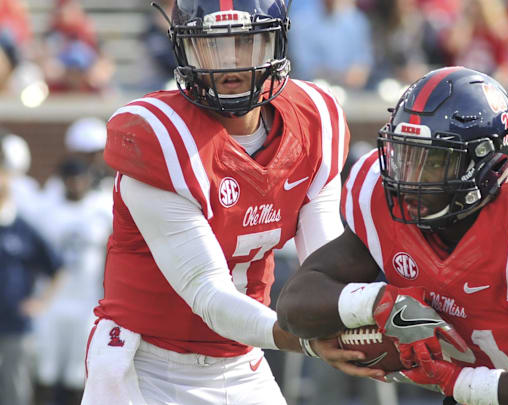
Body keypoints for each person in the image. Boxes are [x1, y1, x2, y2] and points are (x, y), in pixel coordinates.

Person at [277, 66, 508, 405]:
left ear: (485, 164)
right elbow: (294, 307)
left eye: (431, 162)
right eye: (403, 155)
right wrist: (378, 302)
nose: (407, 179)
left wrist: (455, 382)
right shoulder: (379, 199)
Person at [81, 0, 360, 404]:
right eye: (213, 46)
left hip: (245, 358)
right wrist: (307, 341)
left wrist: (363, 312)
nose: (229, 63)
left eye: (245, 43)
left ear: (274, 43)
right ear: (184, 50)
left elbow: (325, 262)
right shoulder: (159, 137)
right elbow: (208, 295)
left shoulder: (315, 119)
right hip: (147, 365)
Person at [34, 158, 112, 405]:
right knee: (45, 369)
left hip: (87, 300)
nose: (75, 183)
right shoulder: (47, 212)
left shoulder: (101, 209)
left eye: (80, 178)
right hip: (51, 301)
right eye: (70, 178)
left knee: (78, 373)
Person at [0, 134, 65, 405]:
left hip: (15, 327)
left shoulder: (23, 228)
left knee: (15, 394)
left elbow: (57, 267)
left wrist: (40, 302)